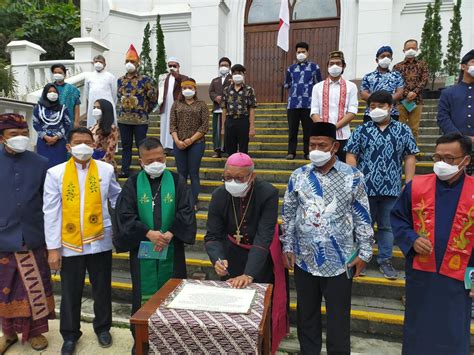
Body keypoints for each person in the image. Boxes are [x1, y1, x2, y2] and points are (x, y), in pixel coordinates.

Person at [281, 122, 373, 355]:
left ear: (335, 146)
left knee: (338, 318)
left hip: (340, 261)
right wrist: (288, 246)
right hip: (304, 259)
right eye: (312, 145)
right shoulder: (299, 175)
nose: (316, 149)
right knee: (306, 315)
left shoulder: (353, 176)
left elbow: (362, 217)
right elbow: (289, 214)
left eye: (322, 145)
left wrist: (365, 253)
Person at [391, 133, 474, 355]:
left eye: (449, 159)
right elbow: (398, 218)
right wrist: (412, 239)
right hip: (423, 275)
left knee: (454, 332)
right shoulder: (416, 186)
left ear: (466, 160)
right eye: (437, 158)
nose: (441, 164)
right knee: (419, 331)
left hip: (459, 278)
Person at [43, 127, 122, 355]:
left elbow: (117, 197)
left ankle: (103, 327)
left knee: (102, 288)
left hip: (100, 239)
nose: (83, 146)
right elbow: (51, 212)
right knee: (70, 291)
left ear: (94, 144)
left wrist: (122, 224)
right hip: (69, 243)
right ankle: (69, 334)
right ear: (68, 146)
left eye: (88, 142)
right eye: (78, 142)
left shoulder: (106, 170)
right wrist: (53, 249)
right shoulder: (55, 173)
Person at [113, 137, 196, 342]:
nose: (156, 164)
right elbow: (124, 215)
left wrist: (170, 232)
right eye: (150, 161)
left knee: (173, 294)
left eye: (160, 158)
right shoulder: (132, 184)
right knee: (142, 293)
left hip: (172, 247)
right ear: (141, 162)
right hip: (142, 249)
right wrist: (147, 232)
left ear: (165, 157)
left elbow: (186, 210)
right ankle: (142, 341)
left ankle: (172, 340)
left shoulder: (177, 181)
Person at [204, 152, 287, 353]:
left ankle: (262, 347)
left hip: (261, 255)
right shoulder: (219, 195)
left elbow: (264, 236)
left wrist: (249, 274)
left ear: (252, 176)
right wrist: (218, 259)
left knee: (260, 309)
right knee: (232, 308)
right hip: (231, 253)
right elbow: (213, 236)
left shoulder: (267, 192)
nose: (232, 182)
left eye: (239, 178)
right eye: (228, 177)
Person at [345, 90, 419, 279]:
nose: (376, 109)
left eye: (381, 106)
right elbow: (351, 154)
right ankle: (361, 257)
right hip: (365, 188)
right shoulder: (362, 130)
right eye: (372, 106)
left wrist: (409, 183)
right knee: (363, 225)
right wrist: (354, 179)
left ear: (391, 107)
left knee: (387, 227)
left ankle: (385, 260)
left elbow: (410, 156)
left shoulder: (403, 130)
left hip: (392, 188)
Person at [0, 114, 55, 353]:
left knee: (35, 286)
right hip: (3, 236)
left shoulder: (41, 163)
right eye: (14, 135)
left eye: (24, 134)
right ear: (2, 137)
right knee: (5, 288)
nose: (20, 138)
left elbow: (50, 203)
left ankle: (35, 333)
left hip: (34, 235)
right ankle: (8, 333)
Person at [117, 44, 157, 178]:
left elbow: (153, 98)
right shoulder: (120, 80)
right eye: (127, 61)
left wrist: (144, 111)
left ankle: (143, 169)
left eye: (132, 61)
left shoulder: (145, 80)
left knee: (142, 145)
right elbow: (119, 97)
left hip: (140, 120)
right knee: (126, 145)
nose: (129, 64)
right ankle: (125, 169)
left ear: (138, 63)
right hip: (123, 119)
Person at [310, 50, 358, 162]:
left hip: (343, 136)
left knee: (342, 168)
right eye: (331, 64)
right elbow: (314, 111)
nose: (334, 66)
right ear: (327, 66)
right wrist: (325, 128)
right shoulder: (317, 87)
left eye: (338, 63)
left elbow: (352, 111)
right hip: (323, 136)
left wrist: (334, 127)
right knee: (322, 166)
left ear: (343, 66)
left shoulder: (351, 86)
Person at [170, 78, 209, 208]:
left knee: (193, 172)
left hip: (196, 144)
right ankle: (182, 201)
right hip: (179, 143)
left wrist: (191, 140)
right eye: (184, 88)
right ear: (181, 90)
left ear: (195, 89)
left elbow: (204, 126)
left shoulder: (201, 104)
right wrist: (177, 140)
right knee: (181, 174)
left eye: (190, 88)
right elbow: (172, 125)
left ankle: (193, 201)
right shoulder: (176, 104)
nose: (187, 90)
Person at [437, 49, 474, 175]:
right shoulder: (448, 93)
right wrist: (460, 138)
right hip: (455, 149)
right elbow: (442, 118)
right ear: (463, 66)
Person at [285, 41, 323, 160]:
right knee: (292, 130)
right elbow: (287, 84)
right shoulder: (290, 69)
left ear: (308, 52)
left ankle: (308, 152)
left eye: (303, 52)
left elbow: (319, 84)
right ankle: (291, 152)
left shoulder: (314, 67)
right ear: (295, 53)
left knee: (308, 130)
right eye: (298, 52)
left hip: (309, 104)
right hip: (293, 104)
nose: (301, 54)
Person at [392, 39, 429, 143]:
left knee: (414, 129)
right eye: (408, 48)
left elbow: (424, 79)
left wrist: (415, 92)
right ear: (403, 50)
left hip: (417, 101)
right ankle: (399, 151)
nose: (411, 50)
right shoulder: (397, 66)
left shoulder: (422, 64)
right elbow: (395, 82)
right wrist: (406, 93)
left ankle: (413, 153)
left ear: (417, 49)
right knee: (399, 127)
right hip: (401, 101)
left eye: (413, 48)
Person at [360, 46, 404, 122]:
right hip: (371, 113)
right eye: (383, 56)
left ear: (391, 59)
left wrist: (385, 103)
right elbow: (363, 94)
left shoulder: (397, 76)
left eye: (388, 56)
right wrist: (379, 103)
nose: (386, 58)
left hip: (391, 113)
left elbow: (399, 93)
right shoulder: (368, 76)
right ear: (377, 60)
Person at [221, 64, 257, 155]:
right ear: (232, 75)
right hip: (230, 121)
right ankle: (232, 168)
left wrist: (252, 127)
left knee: (243, 149)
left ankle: (243, 168)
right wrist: (223, 127)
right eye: (235, 73)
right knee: (230, 149)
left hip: (243, 121)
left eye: (240, 73)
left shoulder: (249, 90)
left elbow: (252, 108)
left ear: (244, 75)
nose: (237, 75)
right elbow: (224, 108)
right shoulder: (226, 90)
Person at [33, 83, 71, 169]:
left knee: (59, 166)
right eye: (50, 91)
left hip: (59, 142)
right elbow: (35, 123)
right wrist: (45, 136)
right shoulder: (38, 108)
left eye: (55, 92)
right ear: (45, 93)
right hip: (43, 141)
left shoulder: (63, 108)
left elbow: (67, 124)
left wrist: (57, 137)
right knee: (43, 165)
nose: (53, 93)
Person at [158, 57, 189, 154]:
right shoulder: (164, 77)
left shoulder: (183, 77)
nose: (171, 68)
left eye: (174, 66)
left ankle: (173, 146)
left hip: (177, 106)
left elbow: (185, 84)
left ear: (178, 66)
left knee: (175, 125)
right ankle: (164, 146)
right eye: (170, 66)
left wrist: (176, 75)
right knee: (165, 125)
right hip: (165, 105)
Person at [84, 55, 117, 127]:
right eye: (96, 61)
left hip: (107, 105)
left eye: (100, 62)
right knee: (93, 125)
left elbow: (114, 93)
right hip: (93, 104)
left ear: (105, 64)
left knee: (108, 125)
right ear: (93, 63)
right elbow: (87, 93)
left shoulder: (110, 76)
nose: (98, 63)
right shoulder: (88, 76)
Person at [209, 57, 232, 158]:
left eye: (226, 65)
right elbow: (211, 91)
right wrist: (215, 97)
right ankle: (217, 150)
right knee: (217, 131)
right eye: (222, 65)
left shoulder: (232, 79)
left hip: (228, 110)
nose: (224, 67)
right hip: (217, 109)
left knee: (227, 130)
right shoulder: (215, 80)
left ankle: (227, 150)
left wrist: (224, 98)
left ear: (229, 67)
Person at [90, 99, 120, 170]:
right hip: (91, 162)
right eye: (94, 107)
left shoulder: (112, 128)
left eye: (98, 108)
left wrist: (101, 165)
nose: (95, 110)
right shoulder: (92, 127)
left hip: (104, 165)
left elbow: (110, 150)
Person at [51, 63, 81, 129]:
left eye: (60, 72)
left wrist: (76, 122)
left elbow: (76, 106)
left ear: (64, 74)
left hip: (69, 121)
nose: (57, 74)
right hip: (52, 121)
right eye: (55, 72)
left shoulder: (72, 89)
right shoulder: (49, 88)